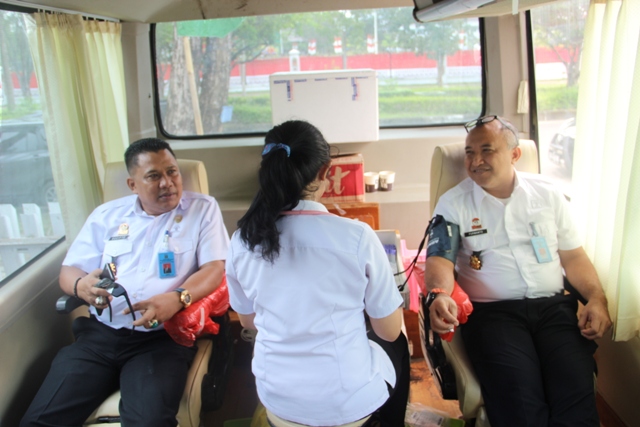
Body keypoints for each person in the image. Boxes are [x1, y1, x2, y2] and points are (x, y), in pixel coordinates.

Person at [21, 138, 230, 427]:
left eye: (172, 172)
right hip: (99, 336)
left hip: (161, 338)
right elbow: (69, 271)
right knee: (38, 422)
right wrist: (81, 285)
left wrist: (177, 298)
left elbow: (214, 268)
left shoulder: (202, 209)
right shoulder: (107, 215)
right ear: (133, 184)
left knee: (149, 422)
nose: (168, 183)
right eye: (154, 176)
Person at [424, 115, 612, 427]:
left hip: (553, 311)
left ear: (514, 155)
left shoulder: (548, 195)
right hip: (494, 316)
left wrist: (596, 299)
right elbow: (439, 260)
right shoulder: (454, 203)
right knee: (519, 402)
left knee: (574, 390)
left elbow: (574, 257)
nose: (476, 160)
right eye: (469, 152)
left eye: (487, 150)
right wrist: (440, 294)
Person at [226, 120, 410, 427]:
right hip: (346, 402)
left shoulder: (242, 240)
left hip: (278, 397)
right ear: (324, 172)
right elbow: (388, 331)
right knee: (399, 342)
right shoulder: (357, 237)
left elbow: (248, 321)